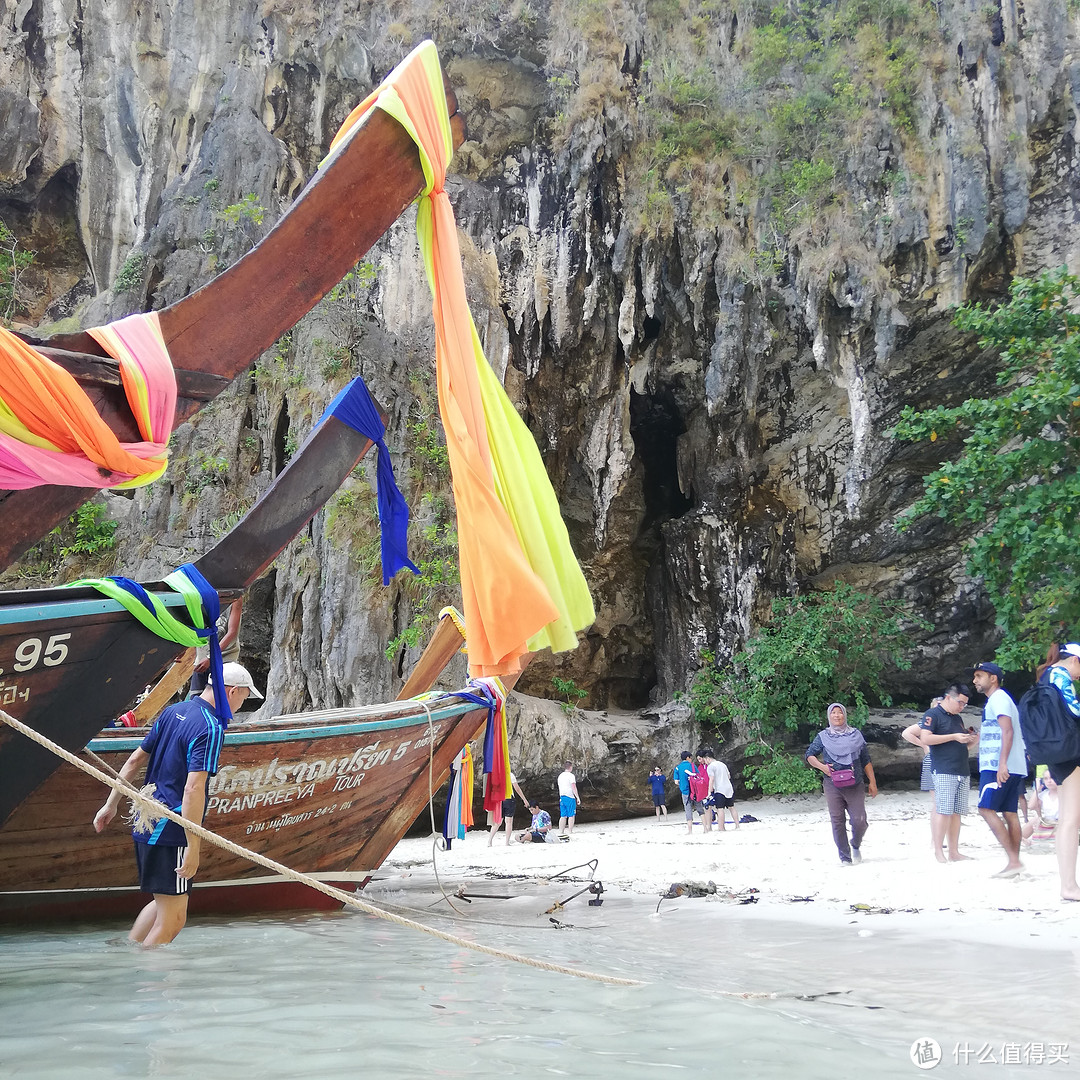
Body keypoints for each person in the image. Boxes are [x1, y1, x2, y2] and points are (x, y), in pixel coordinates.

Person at [93, 662, 263, 946]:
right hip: (170, 829)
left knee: (164, 903)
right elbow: (193, 788)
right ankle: (149, 985)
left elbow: (135, 759)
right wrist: (193, 848)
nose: (241, 704)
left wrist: (110, 805)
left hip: (143, 820)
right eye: (244, 697)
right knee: (174, 920)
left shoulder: (173, 711)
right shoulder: (210, 728)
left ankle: (126, 955)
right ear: (231, 691)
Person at [971, 661, 1027, 878]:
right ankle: (1015, 864)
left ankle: (1013, 861)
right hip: (1011, 765)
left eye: (979, 676)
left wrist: (1001, 764)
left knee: (985, 809)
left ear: (992, 678)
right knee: (1010, 813)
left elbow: (1008, 731)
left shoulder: (999, 698)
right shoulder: (998, 700)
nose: (975, 680)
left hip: (998, 766)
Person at [1033, 642, 1080, 900]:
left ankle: (1068, 884)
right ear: (1074, 660)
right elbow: (1073, 709)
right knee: (1072, 819)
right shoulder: (1060, 676)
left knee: (1066, 820)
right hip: (1069, 752)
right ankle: (1070, 886)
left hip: (1054, 751)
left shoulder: (1046, 676)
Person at [805, 703, 878, 865]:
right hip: (832, 785)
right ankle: (844, 856)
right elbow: (810, 755)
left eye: (840, 713)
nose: (837, 716)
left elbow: (866, 759)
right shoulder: (823, 736)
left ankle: (855, 844)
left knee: (859, 821)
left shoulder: (856, 735)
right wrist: (823, 767)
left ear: (845, 715)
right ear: (829, 716)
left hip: (855, 783)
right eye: (833, 713)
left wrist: (872, 782)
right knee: (837, 820)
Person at [918, 683, 977, 863]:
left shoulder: (957, 718)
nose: (961, 707)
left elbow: (962, 745)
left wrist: (971, 740)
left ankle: (954, 851)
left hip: (962, 769)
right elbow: (925, 738)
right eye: (960, 702)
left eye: (965, 704)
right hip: (943, 769)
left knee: (956, 813)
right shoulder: (932, 715)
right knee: (943, 811)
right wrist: (953, 736)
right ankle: (938, 851)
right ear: (949, 697)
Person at [902, 696, 943, 852]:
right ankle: (935, 840)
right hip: (932, 760)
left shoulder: (946, 721)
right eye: (936, 705)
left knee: (943, 803)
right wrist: (924, 745)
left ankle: (939, 839)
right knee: (937, 803)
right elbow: (906, 733)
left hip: (946, 762)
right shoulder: (927, 722)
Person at [189, 598, 243, 695]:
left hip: (224, 660)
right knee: (196, 699)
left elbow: (232, 632)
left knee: (220, 700)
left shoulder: (234, 598)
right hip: (202, 661)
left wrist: (211, 657)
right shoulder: (201, 595)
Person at [701, 748, 738, 832]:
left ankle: (721, 828)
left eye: (705, 760)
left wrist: (709, 791)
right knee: (731, 807)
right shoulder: (722, 764)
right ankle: (737, 825)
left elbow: (711, 779)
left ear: (708, 758)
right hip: (728, 788)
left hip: (720, 789)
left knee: (720, 808)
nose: (705, 762)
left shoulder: (710, 767)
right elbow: (728, 776)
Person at [488, 771, 529, 846]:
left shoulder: (496, 774)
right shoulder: (510, 774)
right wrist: (524, 799)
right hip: (509, 799)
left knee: (497, 822)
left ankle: (489, 841)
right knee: (508, 822)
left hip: (499, 800)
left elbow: (491, 789)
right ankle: (507, 842)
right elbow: (517, 788)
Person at [557, 761, 581, 840]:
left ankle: (561, 831)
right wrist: (577, 797)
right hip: (569, 796)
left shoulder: (560, 776)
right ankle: (570, 830)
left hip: (562, 797)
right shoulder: (571, 776)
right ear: (570, 767)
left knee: (563, 815)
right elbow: (573, 787)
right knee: (571, 814)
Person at [673, 752, 694, 834]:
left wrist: (682, 782)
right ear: (688, 757)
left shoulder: (677, 768)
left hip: (685, 791)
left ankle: (690, 830)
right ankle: (706, 829)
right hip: (694, 791)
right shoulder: (692, 765)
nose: (691, 759)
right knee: (700, 808)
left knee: (688, 809)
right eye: (691, 758)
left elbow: (676, 782)